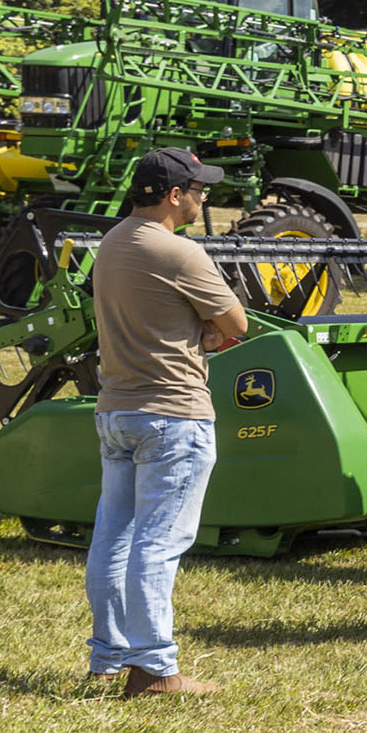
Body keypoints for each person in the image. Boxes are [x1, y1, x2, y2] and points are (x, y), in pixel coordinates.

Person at [85, 147, 246, 698]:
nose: (205, 199)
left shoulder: (110, 243)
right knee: (157, 543)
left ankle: (108, 657)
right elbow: (236, 323)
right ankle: (154, 669)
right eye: (200, 191)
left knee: (114, 538)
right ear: (175, 196)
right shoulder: (181, 253)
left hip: (116, 410)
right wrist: (208, 333)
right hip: (173, 415)